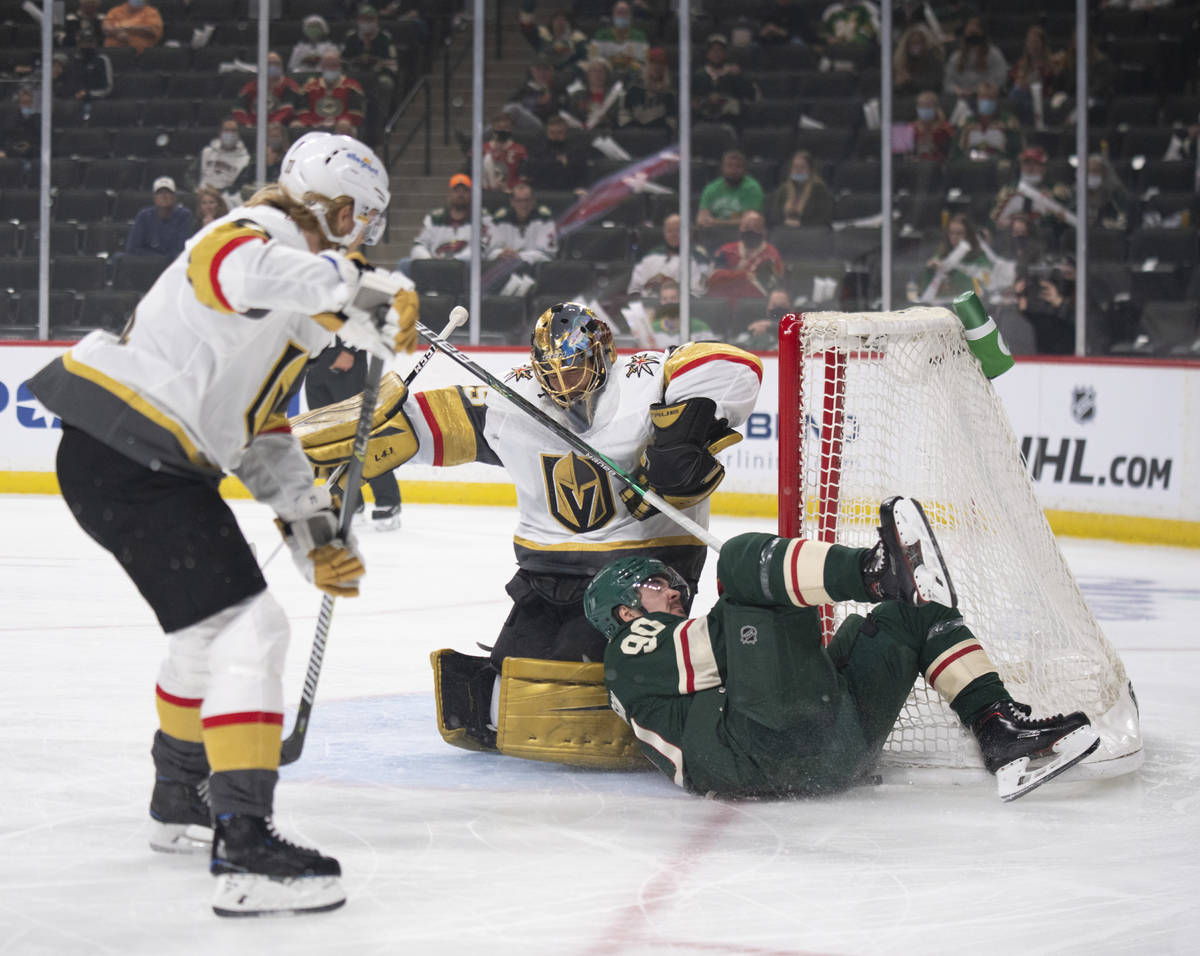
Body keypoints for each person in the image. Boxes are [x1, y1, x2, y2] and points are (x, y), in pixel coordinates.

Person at [27, 131, 419, 917]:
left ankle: (181, 797)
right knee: (252, 630)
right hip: (132, 454)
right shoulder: (251, 236)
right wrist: (355, 287)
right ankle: (246, 847)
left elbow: (262, 432)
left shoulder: (291, 308)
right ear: (334, 211)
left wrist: (314, 534)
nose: (363, 239)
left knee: (206, 635)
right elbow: (228, 270)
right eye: (360, 223)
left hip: (129, 459)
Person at [292, 302, 763, 759]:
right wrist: (367, 427)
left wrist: (682, 437)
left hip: (641, 570)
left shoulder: (646, 378)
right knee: (513, 684)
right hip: (546, 571)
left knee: (586, 677)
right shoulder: (512, 398)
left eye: (573, 370)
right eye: (551, 373)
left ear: (599, 357)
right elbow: (426, 422)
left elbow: (731, 363)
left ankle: (673, 703)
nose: (562, 385)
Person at [583, 497, 1100, 801]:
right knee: (741, 561)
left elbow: (740, 653)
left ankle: (998, 729)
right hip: (761, 753)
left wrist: (782, 602)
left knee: (913, 612)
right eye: (654, 584)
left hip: (831, 747)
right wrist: (773, 592)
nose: (673, 589)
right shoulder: (626, 652)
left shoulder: (652, 649)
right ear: (625, 610)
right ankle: (876, 572)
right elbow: (719, 645)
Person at [304, 344, 403, 530]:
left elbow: (360, 314)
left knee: (362, 435)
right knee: (328, 439)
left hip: (346, 361)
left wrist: (350, 350)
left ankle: (388, 502)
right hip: (314, 363)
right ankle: (350, 504)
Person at [340, 5, 399, 143]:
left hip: (378, 76)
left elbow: (393, 63)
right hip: (354, 75)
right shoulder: (351, 38)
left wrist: (376, 62)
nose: (367, 22)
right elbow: (341, 60)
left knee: (386, 84)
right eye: (364, 19)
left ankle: (382, 123)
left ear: (376, 20)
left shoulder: (384, 38)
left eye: (370, 19)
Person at [485, 182, 558, 290]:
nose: (523, 205)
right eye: (519, 201)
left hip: (536, 274)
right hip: (503, 272)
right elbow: (490, 251)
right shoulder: (499, 219)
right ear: (512, 202)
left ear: (533, 201)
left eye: (527, 200)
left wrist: (520, 256)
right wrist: (500, 253)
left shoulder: (545, 218)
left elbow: (548, 254)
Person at [406, 173, 487, 266]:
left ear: (471, 194)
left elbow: (480, 251)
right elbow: (418, 246)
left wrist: (453, 261)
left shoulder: (479, 218)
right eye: (456, 191)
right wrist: (429, 260)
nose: (460, 195)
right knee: (404, 264)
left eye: (465, 191)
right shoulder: (434, 218)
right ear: (449, 194)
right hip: (435, 266)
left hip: (464, 267)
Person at [627, 212, 710, 299]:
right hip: (648, 306)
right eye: (670, 231)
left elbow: (699, 294)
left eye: (678, 230)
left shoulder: (698, 258)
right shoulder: (651, 256)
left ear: (689, 233)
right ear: (664, 234)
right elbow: (634, 289)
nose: (674, 235)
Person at [706, 210, 784, 302]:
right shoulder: (727, 250)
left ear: (763, 232)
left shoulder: (771, 254)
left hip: (755, 303)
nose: (750, 234)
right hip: (725, 301)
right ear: (740, 230)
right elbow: (714, 277)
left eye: (755, 229)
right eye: (747, 230)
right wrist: (744, 275)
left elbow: (774, 286)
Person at [295, 51, 366, 135]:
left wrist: (340, 121)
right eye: (327, 66)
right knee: (296, 126)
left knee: (344, 125)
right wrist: (312, 123)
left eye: (334, 65)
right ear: (321, 67)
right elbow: (302, 110)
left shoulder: (352, 86)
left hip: (342, 125)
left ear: (340, 66)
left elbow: (356, 112)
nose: (331, 69)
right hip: (314, 124)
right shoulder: (309, 87)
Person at [692, 34, 754, 125]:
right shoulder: (699, 75)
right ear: (707, 53)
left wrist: (739, 76)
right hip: (702, 120)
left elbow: (749, 95)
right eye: (713, 49)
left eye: (720, 50)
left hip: (728, 120)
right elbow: (692, 97)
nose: (716, 53)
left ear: (725, 53)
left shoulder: (733, 73)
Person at [125, 176, 194, 257]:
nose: (164, 196)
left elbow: (182, 248)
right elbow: (133, 248)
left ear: (174, 197)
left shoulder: (184, 215)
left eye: (168, 192)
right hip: (147, 265)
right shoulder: (144, 215)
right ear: (154, 197)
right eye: (159, 192)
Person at [954, 79, 1019, 163]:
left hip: (998, 163)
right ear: (978, 99)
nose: (987, 101)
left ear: (997, 100)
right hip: (970, 164)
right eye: (983, 97)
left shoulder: (1008, 121)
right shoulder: (967, 121)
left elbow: (1017, 150)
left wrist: (1007, 132)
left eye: (991, 98)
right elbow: (956, 151)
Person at [231, 52, 302, 128]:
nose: (273, 66)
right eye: (269, 64)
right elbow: (238, 109)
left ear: (282, 66)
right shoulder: (250, 87)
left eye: (276, 63)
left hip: (280, 128)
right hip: (254, 127)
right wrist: (247, 124)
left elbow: (287, 110)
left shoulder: (289, 85)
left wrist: (271, 125)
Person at [765, 149, 833, 228]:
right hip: (785, 230)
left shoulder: (819, 190)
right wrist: (785, 222)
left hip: (810, 231)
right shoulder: (784, 189)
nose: (798, 170)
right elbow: (775, 214)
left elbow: (824, 217)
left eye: (802, 167)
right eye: (795, 167)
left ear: (810, 170)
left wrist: (802, 224)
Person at [697, 150, 764, 228]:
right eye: (729, 166)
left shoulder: (752, 188)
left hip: (740, 234)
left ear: (745, 170)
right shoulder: (711, 188)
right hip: (713, 234)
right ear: (722, 168)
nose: (733, 170)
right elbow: (701, 219)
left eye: (738, 166)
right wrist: (705, 220)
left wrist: (715, 223)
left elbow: (749, 222)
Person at [523, 113, 589, 193]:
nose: (555, 136)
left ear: (566, 132)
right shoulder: (538, 149)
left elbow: (581, 173)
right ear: (547, 132)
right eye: (552, 133)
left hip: (568, 190)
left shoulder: (576, 150)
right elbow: (531, 170)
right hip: (542, 190)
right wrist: (560, 163)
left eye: (559, 132)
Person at [943, 18, 1008, 98]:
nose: (973, 36)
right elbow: (948, 82)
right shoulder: (956, 56)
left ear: (983, 33)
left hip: (986, 97)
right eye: (970, 33)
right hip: (961, 97)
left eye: (975, 33)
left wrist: (982, 90)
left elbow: (1000, 79)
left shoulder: (994, 54)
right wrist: (957, 90)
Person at [586, 1, 649, 83]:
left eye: (625, 13)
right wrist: (609, 66)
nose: (622, 16)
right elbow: (594, 57)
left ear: (631, 16)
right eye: (619, 13)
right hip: (606, 73)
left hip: (631, 74)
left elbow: (643, 60)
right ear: (613, 15)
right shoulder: (601, 35)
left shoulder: (639, 37)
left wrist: (630, 68)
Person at [196, 118, 251, 208]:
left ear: (238, 134)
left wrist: (217, 192)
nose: (229, 134)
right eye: (226, 130)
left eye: (233, 131)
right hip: (202, 195)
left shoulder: (245, 159)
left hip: (225, 198)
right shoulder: (207, 152)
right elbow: (190, 175)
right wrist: (194, 188)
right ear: (220, 133)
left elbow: (239, 185)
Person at [517, 3, 588, 73]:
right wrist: (529, 5)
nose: (560, 23)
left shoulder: (578, 39)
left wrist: (572, 69)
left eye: (564, 20)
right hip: (543, 74)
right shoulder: (543, 36)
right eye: (557, 20)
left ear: (569, 23)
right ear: (552, 22)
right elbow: (526, 25)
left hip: (568, 77)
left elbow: (586, 59)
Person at [619, 46, 676, 131]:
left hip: (659, 137)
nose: (657, 67)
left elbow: (672, 122)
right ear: (647, 65)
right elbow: (623, 117)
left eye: (661, 63)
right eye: (653, 63)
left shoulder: (669, 94)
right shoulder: (634, 89)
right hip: (634, 136)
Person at [230, 122, 290, 201]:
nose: (273, 140)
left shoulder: (288, 159)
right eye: (270, 137)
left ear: (283, 139)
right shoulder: (257, 157)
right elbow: (240, 184)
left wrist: (271, 165)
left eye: (276, 137)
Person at [562, 57, 624, 132]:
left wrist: (606, 119)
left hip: (607, 134)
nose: (597, 75)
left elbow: (620, 120)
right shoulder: (577, 95)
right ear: (588, 74)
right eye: (594, 71)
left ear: (607, 74)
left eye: (601, 71)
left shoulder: (616, 95)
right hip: (580, 134)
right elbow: (571, 116)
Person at [60, 24, 113, 101]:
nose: (87, 45)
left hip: (97, 101)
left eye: (90, 42)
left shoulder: (102, 60)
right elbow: (68, 84)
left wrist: (89, 94)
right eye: (84, 42)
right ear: (78, 44)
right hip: (74, 101)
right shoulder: (72, 61)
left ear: (95, 43)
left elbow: (108, 88)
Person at [480, 112, 528, 192]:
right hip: (487, 192)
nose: (502, 130)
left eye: (506, 127)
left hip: (511, 192)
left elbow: (523, 176)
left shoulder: (519, 150)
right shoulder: (482, 149)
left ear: (511, 128)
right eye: (499, 127)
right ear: (493, 128)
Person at [903, 89, 955, 165]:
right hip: (915, 167)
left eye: (928, 105)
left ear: (936, 108)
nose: (924, 108)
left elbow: (951, 152)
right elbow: (906, 153)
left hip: (939, 166)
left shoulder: (946, 128)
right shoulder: (911, 128)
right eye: (921, 105)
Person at [893, 24, 943, 96]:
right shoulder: (902, 62)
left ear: (924, 44)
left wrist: (910, 80)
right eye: (912, 43)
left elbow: (933, 84)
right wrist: (898, 84)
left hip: (928, 99)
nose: (915, 47)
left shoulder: (933, 60)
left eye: (918, 43)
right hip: (906, 100)